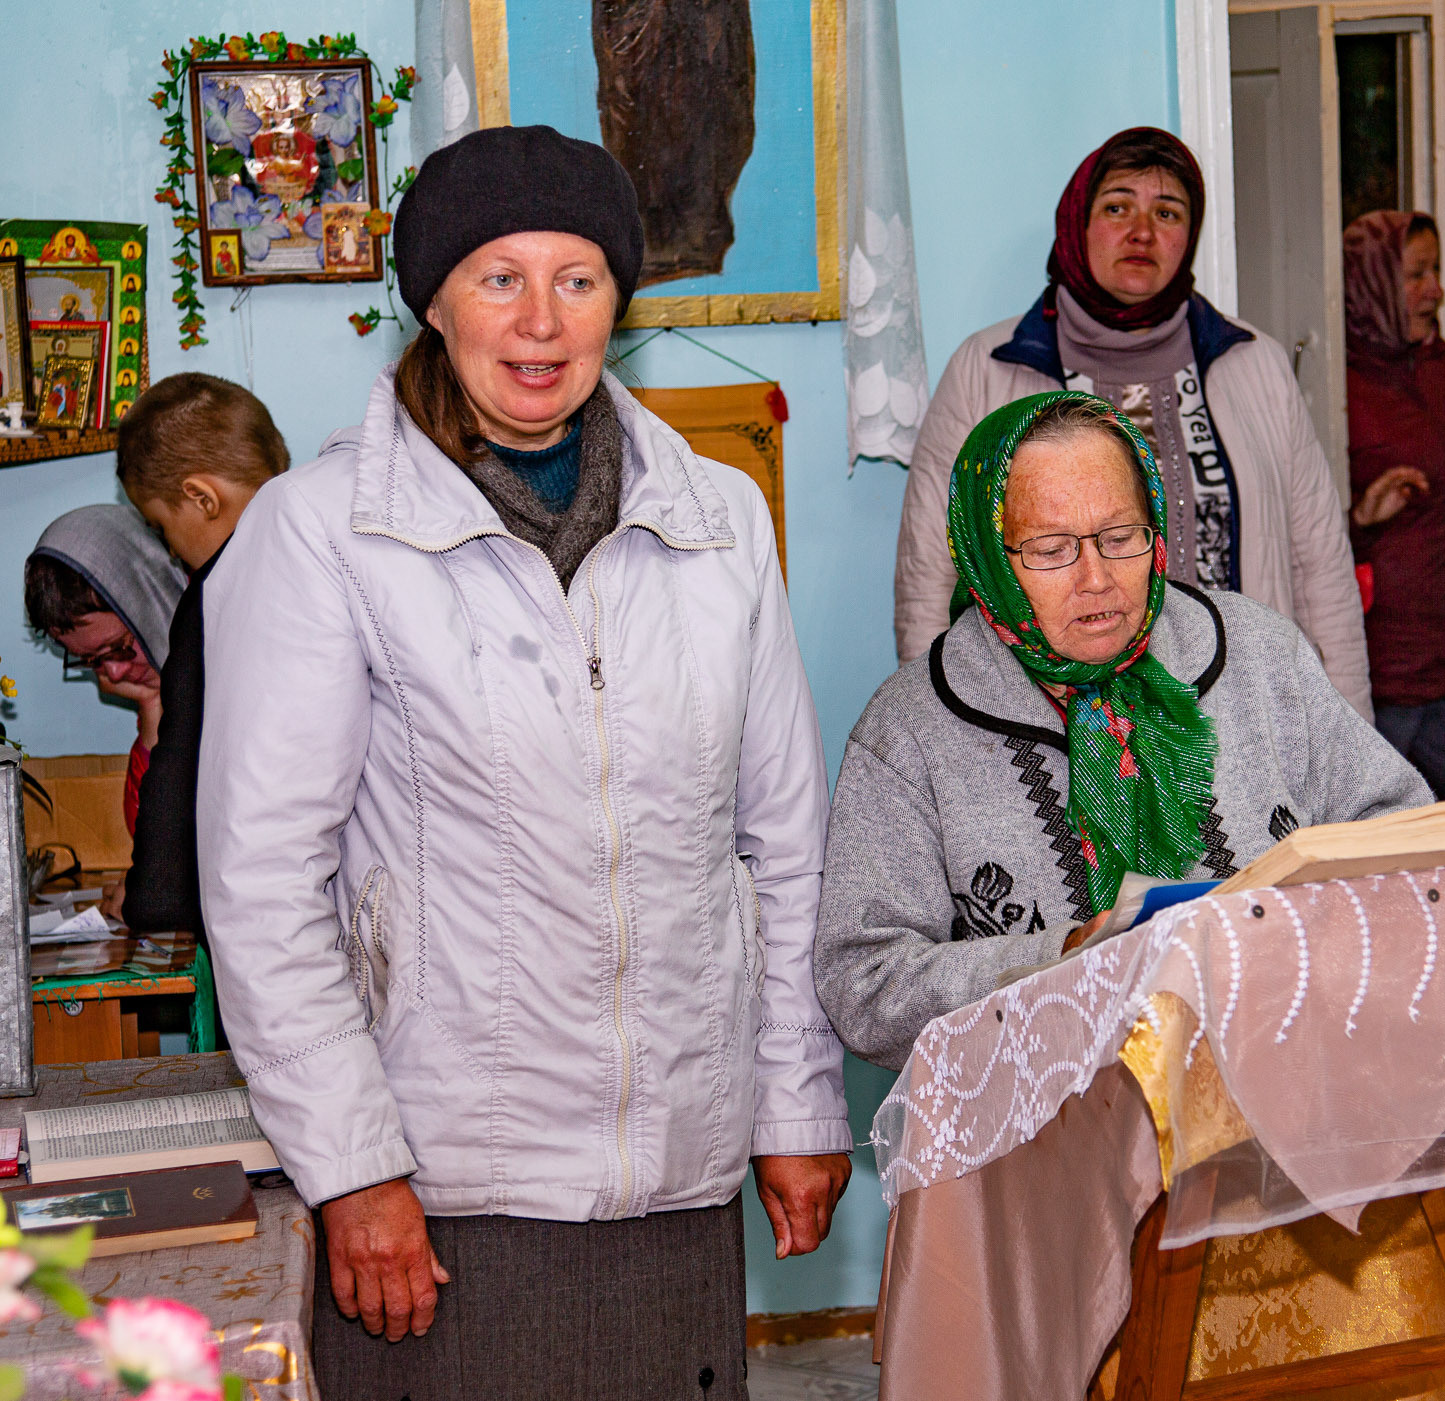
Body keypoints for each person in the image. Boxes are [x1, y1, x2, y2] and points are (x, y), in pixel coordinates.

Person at [196, 125, 851, 1400]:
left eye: (579, 279)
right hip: (446, 1186)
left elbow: (785, 847)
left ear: (621, 299)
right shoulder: (325, 534)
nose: (540, 320)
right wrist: (352, 1167)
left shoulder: (719, 524)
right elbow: (265, 884)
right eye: (500, 277)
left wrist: (797, 1103)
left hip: (682, 1169)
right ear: (434, 300)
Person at [818, 392, 1429, 1069]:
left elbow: (1403, 829)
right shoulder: (911, 730)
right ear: (987, 556)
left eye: (1120, 537)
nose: (1098, 579)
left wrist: (1290, 922)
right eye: (1052, 549)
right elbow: (864, 984)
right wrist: (1058, 960)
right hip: (1049, 1147)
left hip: (1286, 1089)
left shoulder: (1257, 653)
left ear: (1158, 530)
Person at [894, 127, 1373, 719]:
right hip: (1047, 725)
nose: (1142, 231)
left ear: (1189, 237)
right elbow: (930, 571)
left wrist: (1349, 727)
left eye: (1167, 212)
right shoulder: (987, 371)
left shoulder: (1256, 365)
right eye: (1117, 206)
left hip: (1246, 720)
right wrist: (948, 723)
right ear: (1077, 223)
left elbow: (1322, 567)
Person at [114, 372, 289, 942]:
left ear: (201, 497)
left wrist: (150, 898)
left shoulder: (216, 596)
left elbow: (181, 768)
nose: (169, 548)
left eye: (162, 527)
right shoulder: (337, 555)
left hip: (265, 911)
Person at [1342, 211, 1445, 803]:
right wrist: (1360, 518)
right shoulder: (1336, 383)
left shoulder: (1440, 363)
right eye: (1415, 274)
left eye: (1435, 271)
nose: (1434, 288)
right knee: (1384, 862)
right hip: (1387, 671)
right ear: (1370, 284)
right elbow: (1303, 533)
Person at [24, 505, 184, 834]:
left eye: (119, 647)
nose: (112, 672)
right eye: (92, 660)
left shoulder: (234, 663)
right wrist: (153, 703)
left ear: (154, 599)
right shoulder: (162, 689)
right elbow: (150, 840)